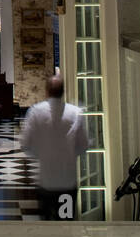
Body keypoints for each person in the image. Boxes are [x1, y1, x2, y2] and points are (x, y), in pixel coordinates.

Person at [20, 74, 89, 221]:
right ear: (64, 92)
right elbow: (83, 145)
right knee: (65, 223)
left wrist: (42, 154)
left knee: (45, 224)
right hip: (67, 183)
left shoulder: (35, 112)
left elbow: (25, 144)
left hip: (45, 182)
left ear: (46, 91)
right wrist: (69, 155)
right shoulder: (76, 113)